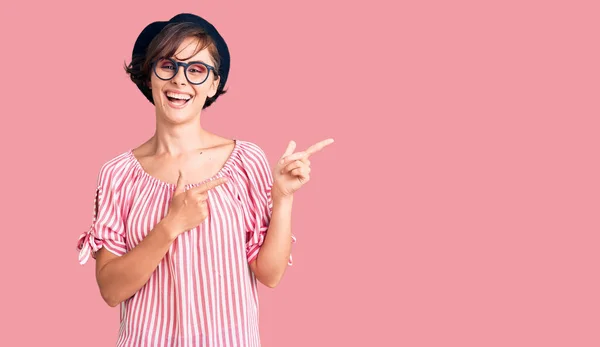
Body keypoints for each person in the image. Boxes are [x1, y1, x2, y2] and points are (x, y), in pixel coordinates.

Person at [76, 13, 333, 347]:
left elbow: (269, 274)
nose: (180, 81)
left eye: (196, 70)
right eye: (167, 65)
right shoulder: (118, 174)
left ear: (213, 84)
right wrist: (171, 226)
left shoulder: (245, 160)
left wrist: (283, 197)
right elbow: (111, 291)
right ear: (149, 76)